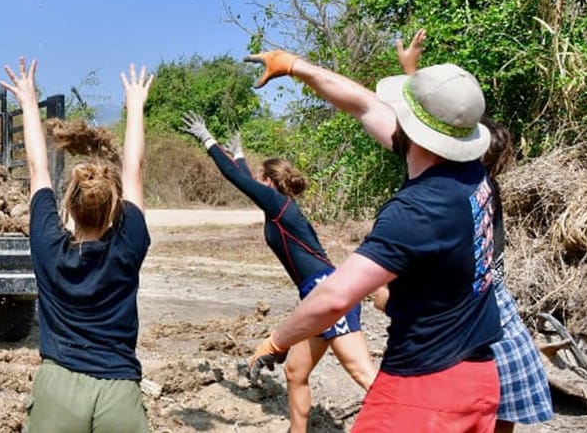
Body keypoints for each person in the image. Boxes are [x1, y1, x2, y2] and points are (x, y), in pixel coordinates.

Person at [242, 49, 502, 432]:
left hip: (424, 390)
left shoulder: (416, 211)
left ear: (412, 127)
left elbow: (334, 297)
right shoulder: (473, 175)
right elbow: (364, 106)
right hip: (477, 378)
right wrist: (294, 66)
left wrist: (277, 340)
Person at [391, 29, 553, 432]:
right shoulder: (480, 189)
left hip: (477, 321)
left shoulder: (460, 193)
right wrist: (411, 73)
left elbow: (418, 125)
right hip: (499, 317)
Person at [179, 113, 375, 433]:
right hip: (317, 294)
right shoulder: (278, 205)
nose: (256, 184)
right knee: (296, 372)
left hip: (328, 291)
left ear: (269, 182)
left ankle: (417, 421)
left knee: (363, 373)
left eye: (260, 179)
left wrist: (207, 139)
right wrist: (239, 154)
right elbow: (246, 180)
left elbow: (237, 179)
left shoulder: (279, 206)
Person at [1, 58, 154, 433]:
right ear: (116, 207)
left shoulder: (48, 246)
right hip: (118, 393)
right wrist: (135, 105)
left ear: (67, 204)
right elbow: (133, 168)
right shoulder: (128, 244)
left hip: (58, 389)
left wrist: (27, 98)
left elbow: (37, 169)